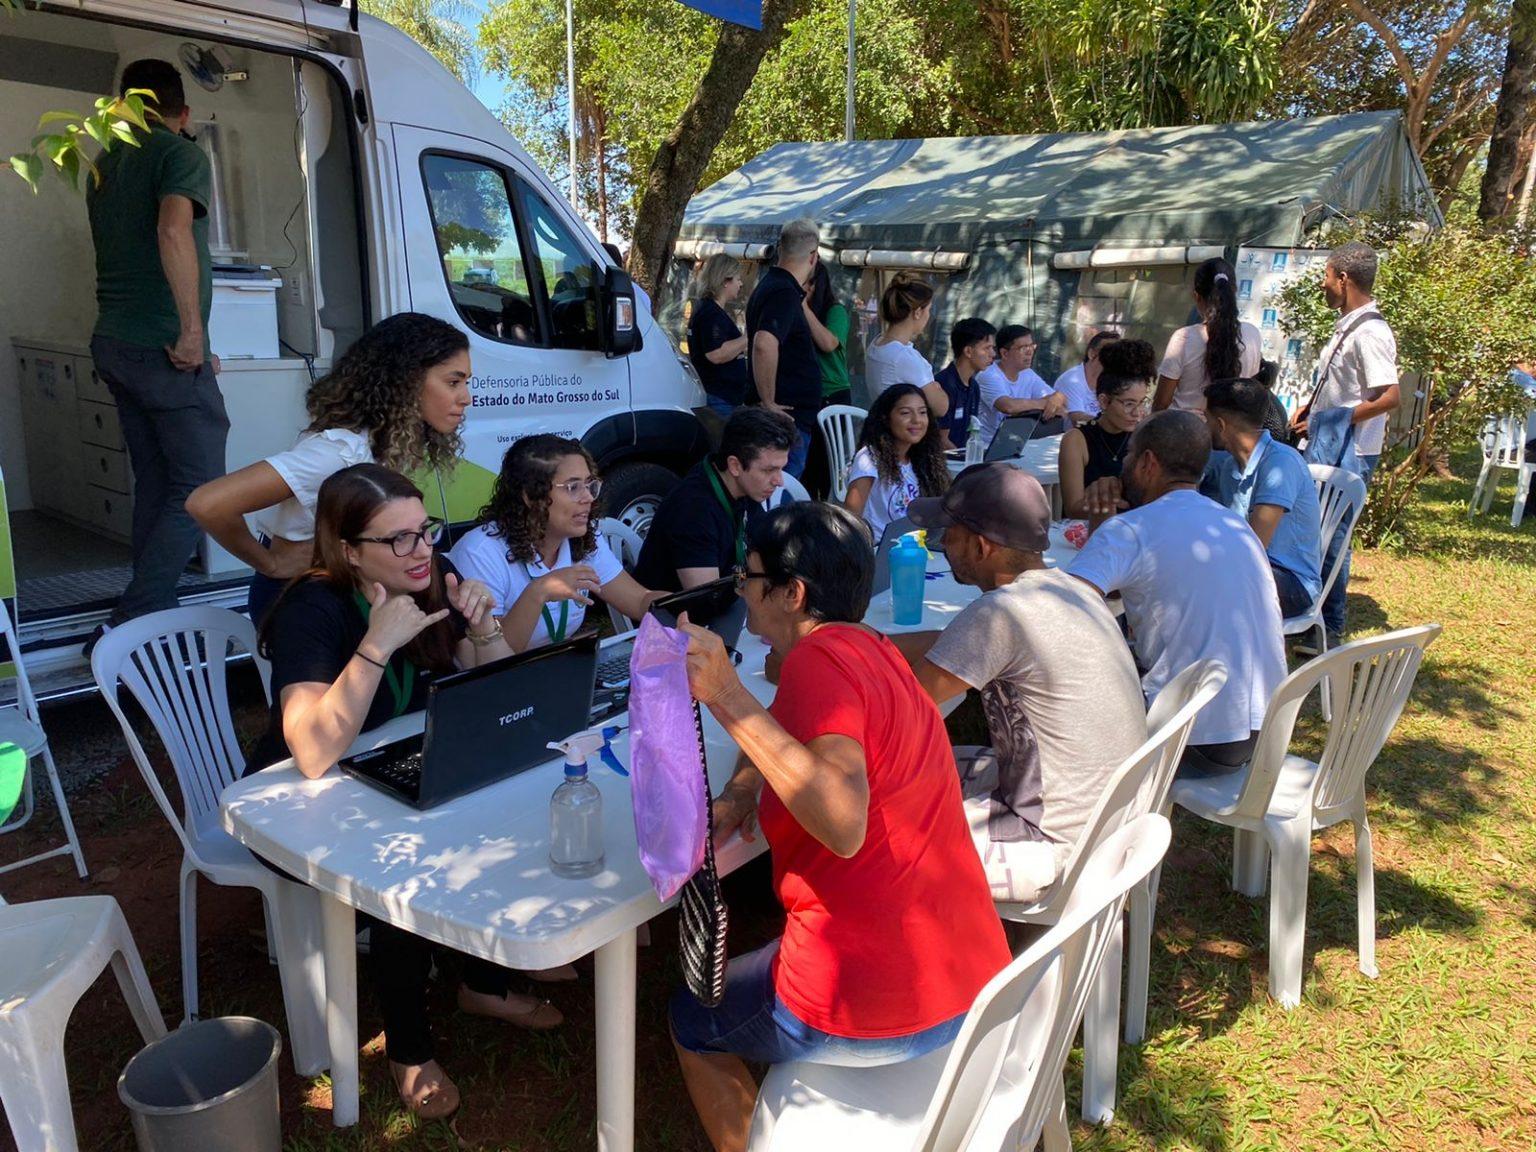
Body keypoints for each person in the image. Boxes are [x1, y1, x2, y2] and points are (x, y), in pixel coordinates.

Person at [670, 502, 1010, 1152]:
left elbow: (843, 823)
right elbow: (793, 722)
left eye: (748, 578)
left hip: (881, 1001)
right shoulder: (868, 648)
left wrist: (723, 694)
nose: (740, 593)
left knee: (691, 1015)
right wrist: (745, 786)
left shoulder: (816, 666)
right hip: (974, 976)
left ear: (792, 593)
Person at [248, 464, 560, 1120]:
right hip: (293, 811)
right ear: (349, 550)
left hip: (385, 767)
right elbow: (309, 751)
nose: (422, 551)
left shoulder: (431, 573)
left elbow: (496, 691)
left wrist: (482, 630)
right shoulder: (315, 608)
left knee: (495, 800)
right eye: (399, 541)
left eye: (425, 531)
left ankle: (480, 977)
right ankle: (409, 1047)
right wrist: (375, 647)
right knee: (405, 861)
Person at [889, 464, 1147, 902]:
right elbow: (947, 643)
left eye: (947, 534)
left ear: (981, 545)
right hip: (1114, 821)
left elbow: (900, 713)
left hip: (1057, 845)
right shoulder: (1072, 589)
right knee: (934, 766)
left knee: (874, 836)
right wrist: (861, 642)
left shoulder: (999, 615)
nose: (941, 545)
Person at [188, 313, 471, 626]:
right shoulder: (337, 453)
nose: (466, 398)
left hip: (337, 595)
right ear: (407, 380)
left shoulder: (383, 442)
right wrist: (269, 563)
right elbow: (208, 504)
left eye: (465, 383)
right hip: (298, 602)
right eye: (453, 382)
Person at [86, 59, 228, 644]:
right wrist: (192, 331)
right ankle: (135, 617)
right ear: (182, 112)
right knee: (199, 489)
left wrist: (200, 338)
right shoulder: (179, 152)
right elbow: (173, 232)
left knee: (157, 480)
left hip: (116, 342)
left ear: (124, 107)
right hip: (164, 350)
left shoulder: (105, 162)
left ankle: (155, 604)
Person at [1069, 411, 1287, 779]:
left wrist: (1103, 517)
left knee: (1076, 670)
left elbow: (1065, 608)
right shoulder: (1233, 523)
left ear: (1147, 462)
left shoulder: (1130, 530)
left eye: (1128, 457)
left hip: (1193, 737)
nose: (1122, 466)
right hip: (1267, 730)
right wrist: (1102, 515)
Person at [448, 435, 656, 651]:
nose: (588, 497)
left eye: (589, 485)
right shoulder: (480, 553)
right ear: (530, 495)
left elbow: (641, 601)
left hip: (555, 671)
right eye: (573, 487)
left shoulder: (582, 538)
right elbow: (494, 658)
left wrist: (684, 610)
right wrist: (538, 592)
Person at [1291, 241, 1400, 643]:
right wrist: (1312, 409)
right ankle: (1311, 612)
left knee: (1334, 537)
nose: (1323, 285)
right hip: (1334, 443)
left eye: (1325, 277)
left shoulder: (1370, 332)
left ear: (1343, 278)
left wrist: (1334, 418)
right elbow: (1348, 387)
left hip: (1350, 451)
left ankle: (1329, 626)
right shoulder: (1350, 324)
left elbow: (1389, 396)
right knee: (1316, 531)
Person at [633, 407, 795, 592]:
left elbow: (766, 550)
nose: (779, 481)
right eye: (768, 470)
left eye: (781, 469)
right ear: (734, 465)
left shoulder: (744, 488)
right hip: (677, 617)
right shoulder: (693, 510)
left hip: (724, 607)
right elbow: (706, 597)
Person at [1203, 377, 1323, 620]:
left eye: (1206, 420)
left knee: (1208, 585)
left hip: (1292, 583)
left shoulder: (1280, 463)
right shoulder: (1229, 467)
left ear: (1221, 425)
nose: (1204, 427)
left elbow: (1254, 547)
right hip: (1251, 569)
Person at [746, 218, 824, 477]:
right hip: (785, 422)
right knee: (779, 499)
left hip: (784, 420)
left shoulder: (772, 285)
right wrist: (768, 401)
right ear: (813, 256)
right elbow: (764, 343)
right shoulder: (783, 291)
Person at [1059, 338, 1154, 523]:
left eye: (1142, 403)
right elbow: (1073, 507)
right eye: (1128, 404)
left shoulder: (1145, 438)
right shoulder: (1077, 440)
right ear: (1103, 401)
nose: (1137, 413)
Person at [842, 384, 950, 543]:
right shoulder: (870, 458)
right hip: (879, 548)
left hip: (915, 547)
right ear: (886, 418)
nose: (916, 420)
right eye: (906, 413)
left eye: (922, 412)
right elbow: (850, 517)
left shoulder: (922, 459)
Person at [1154, 257, 1261, 413]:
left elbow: (1161, 404)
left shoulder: (1184, 338)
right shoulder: (1252, 334)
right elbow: (1252, 389)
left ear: (1197, 296)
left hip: (1184, 431)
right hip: (1232, 433)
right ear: (1234, 292)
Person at [861, 276, 950, 418]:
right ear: (918, 312)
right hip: (900, 434)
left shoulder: (877, 343)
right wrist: (936, 387)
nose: (929, 316)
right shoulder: (903, 357)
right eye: (928, 310)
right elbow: (941, 407)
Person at [975, 324, 1066, 444]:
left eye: (1032, 346)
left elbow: (1060, 402)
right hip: (988, 446)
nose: (1030, 352)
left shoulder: (1027, 373)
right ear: (1004, 353)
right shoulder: (988, 374)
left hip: (1019, 443)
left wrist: (1057, 398)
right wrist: (1045, 403)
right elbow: (1008, 406)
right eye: (1023, 348)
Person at [687, 254, 750, 418]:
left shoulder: (709, 310)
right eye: (737, 279)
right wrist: (746, 339)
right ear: (725, 281)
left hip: (723, 398)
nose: (741, 284)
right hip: (719, 399)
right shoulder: (711, 314)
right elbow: (715, 354)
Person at [933, 317, 997, 450]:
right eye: (987, 348)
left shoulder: (974, 386)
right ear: (968, 351)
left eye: (993, 348)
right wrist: (967, 462)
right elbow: (940, 440)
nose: (993, 354)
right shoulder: (943, 384)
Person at [806, 260, 852, 407]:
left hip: (832, 393)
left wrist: (803, 307)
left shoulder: (835, 311)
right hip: (806, 391)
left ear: (814, 286)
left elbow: (828, 344)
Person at [1053, 330, 1119, 422]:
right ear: (1092, 354)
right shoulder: (1071, 380)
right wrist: (1113, 423)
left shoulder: (1114, 381)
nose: (1115, 358)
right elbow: (1078, 419)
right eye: (1109, 352)